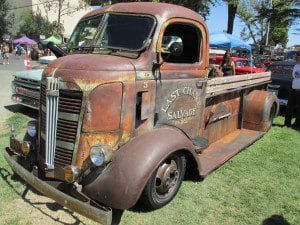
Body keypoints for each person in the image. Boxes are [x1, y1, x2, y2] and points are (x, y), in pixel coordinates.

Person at [284, 51, 300, 129]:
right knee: (289, 107)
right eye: (296, 56)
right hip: (293, 89)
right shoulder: (296, 66)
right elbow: (294, 76)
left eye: (298, 56)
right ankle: (287, 124)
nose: (296, 57)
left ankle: (297, 125)